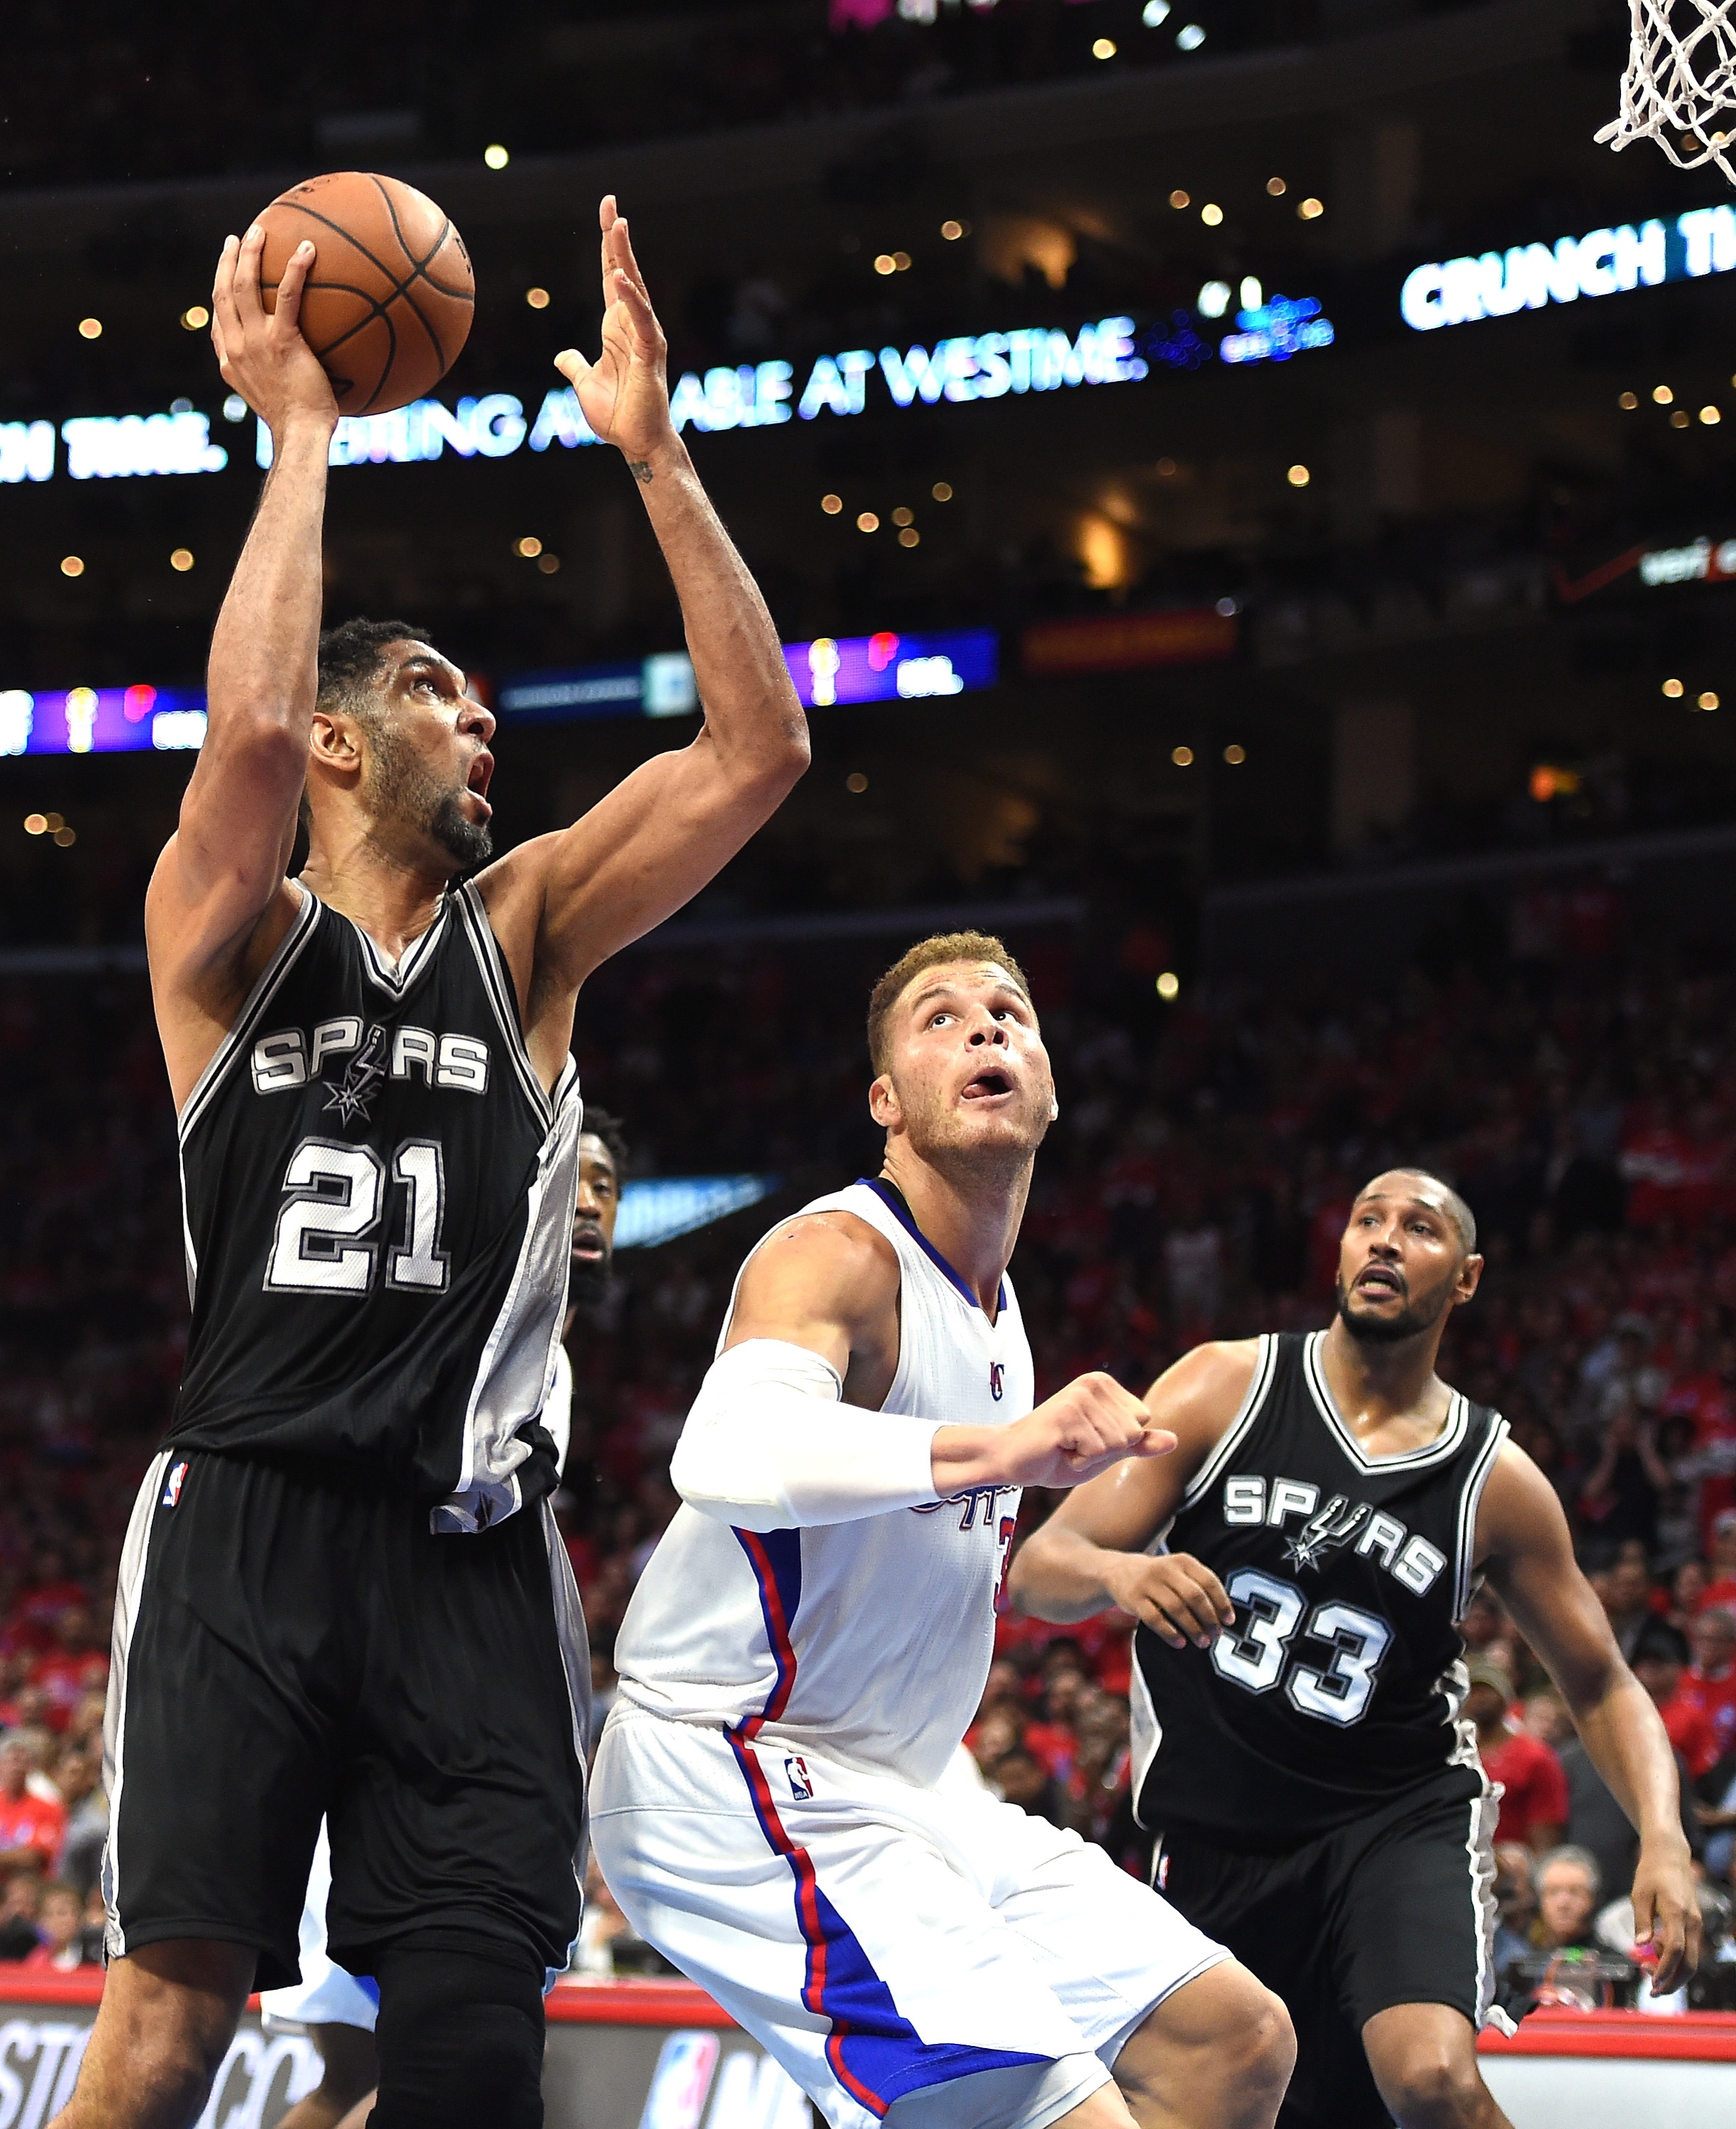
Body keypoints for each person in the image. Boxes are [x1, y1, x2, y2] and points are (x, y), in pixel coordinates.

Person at [62, 198, 808, 2129]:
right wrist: (299, 429)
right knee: (168, 2028)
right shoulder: (222, 943)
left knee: (475, 2042)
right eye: (430, 695)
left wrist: (655, 457)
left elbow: (757, 750)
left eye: (483, 704)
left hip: (472, 1556)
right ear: (335, 736)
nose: (479, 723)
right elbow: (229, 728)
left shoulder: (530, 931)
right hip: (244, 1519)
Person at [591, 935, 1295, 2129]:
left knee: (1229, 2043)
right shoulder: (836, 1255)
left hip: (908, 1783)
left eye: (1008, 1014)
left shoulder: (998, 1308)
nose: (983, 1030)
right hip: (736, 1765)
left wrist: (1105, 1565)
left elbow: (921, 1554)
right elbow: (721, 1455)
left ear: (1050, 1083)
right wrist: (1013, 1450)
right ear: (886, 1103)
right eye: (940, 1018)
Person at [1010, 1168, 1700, 2129]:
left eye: (1417, 1228)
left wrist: (1663, 1840)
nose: (1382, 1240)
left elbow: (1598, 1682)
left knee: (1427, 2078)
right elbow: (1041, 1565)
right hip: (1215, 1836)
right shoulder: (1227, 1384)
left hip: (1391, 1820)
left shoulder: (1491, 1477)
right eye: (1365, 1221)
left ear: (1463, 1279)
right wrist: (1120, 1578)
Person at [261, 1127, 635, 2129]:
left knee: (351, 2082)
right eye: (573, 1177)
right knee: (439, 2065)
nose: (591, 1202)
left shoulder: (536, 1348)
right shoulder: (464, 1307)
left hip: (379, 1719)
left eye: (607, 1185)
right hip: (404, 1734)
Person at [1462, 1658, 1566, 1854]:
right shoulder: (1456, 1754)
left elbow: (1546, 1829)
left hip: (1514, 1865)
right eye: (1474, 1692)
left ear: (1505, 1698)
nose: (1481, 1698)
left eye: (1489, 1690)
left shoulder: (1535, 1756)